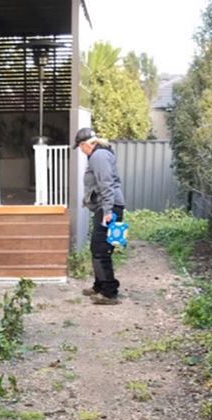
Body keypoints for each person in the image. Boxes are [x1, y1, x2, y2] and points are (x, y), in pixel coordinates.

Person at [74, 127, 126, 305]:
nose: (80, 151)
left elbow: (106, 184)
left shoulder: (98, 156)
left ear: (84, 144)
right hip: (104, 207)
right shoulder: (98, 154)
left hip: (108, 208)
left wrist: (108, 210)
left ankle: (109, 293)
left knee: (101, 250)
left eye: (80, 147)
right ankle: (99, 286)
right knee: (98, 247)